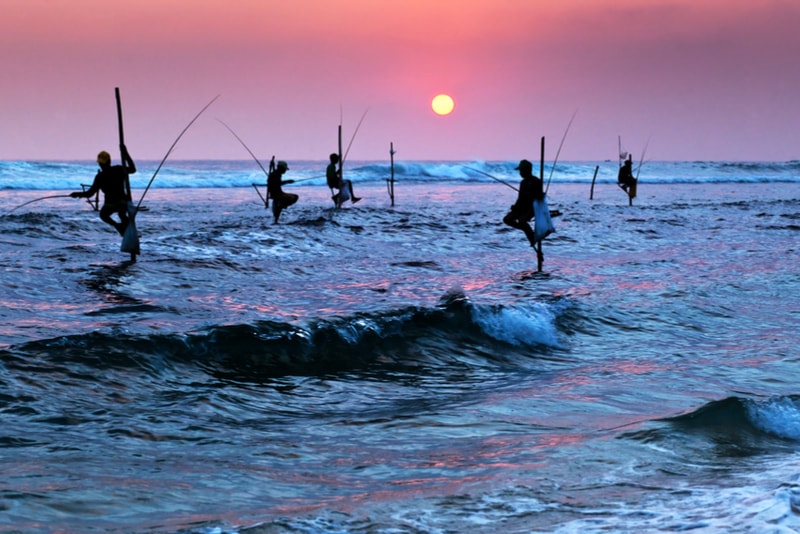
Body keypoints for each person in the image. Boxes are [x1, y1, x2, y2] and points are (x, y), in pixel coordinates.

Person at [71, 146, 136, 236]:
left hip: (118, 202)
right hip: (116, 202)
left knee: (107, 215)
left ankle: (121, 227)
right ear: (109, 161)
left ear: (100, 164)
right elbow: (133, 169)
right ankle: (122, 228)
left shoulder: (102, 175)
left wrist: (77, 194)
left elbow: (89, 194)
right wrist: (126, 154)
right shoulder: (117, 169)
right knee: (116, 215)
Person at [503, 159, 544, 252]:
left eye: (521, 171)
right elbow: (520, 198)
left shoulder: (537, 181)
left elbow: (539, 196)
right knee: (507, 219)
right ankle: (528, 232)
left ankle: (532, 236)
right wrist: (515, 207)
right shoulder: (523, 182)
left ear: (527, 170)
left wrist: (532, 195)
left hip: (532, 208)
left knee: (522, 222)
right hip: (521, 208)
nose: (520, 173)